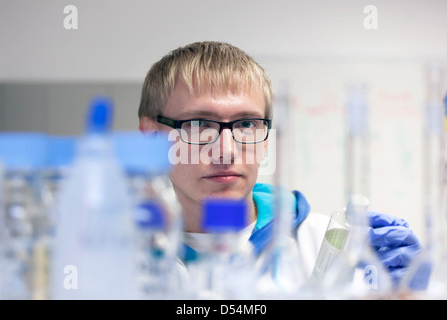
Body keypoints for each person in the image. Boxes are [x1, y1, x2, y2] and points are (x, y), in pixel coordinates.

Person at [137, 41, 424, 290]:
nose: (226, 152)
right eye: (199, 125)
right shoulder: (110, 252)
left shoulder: (330, 246)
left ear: (265, 141)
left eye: (247, 123)